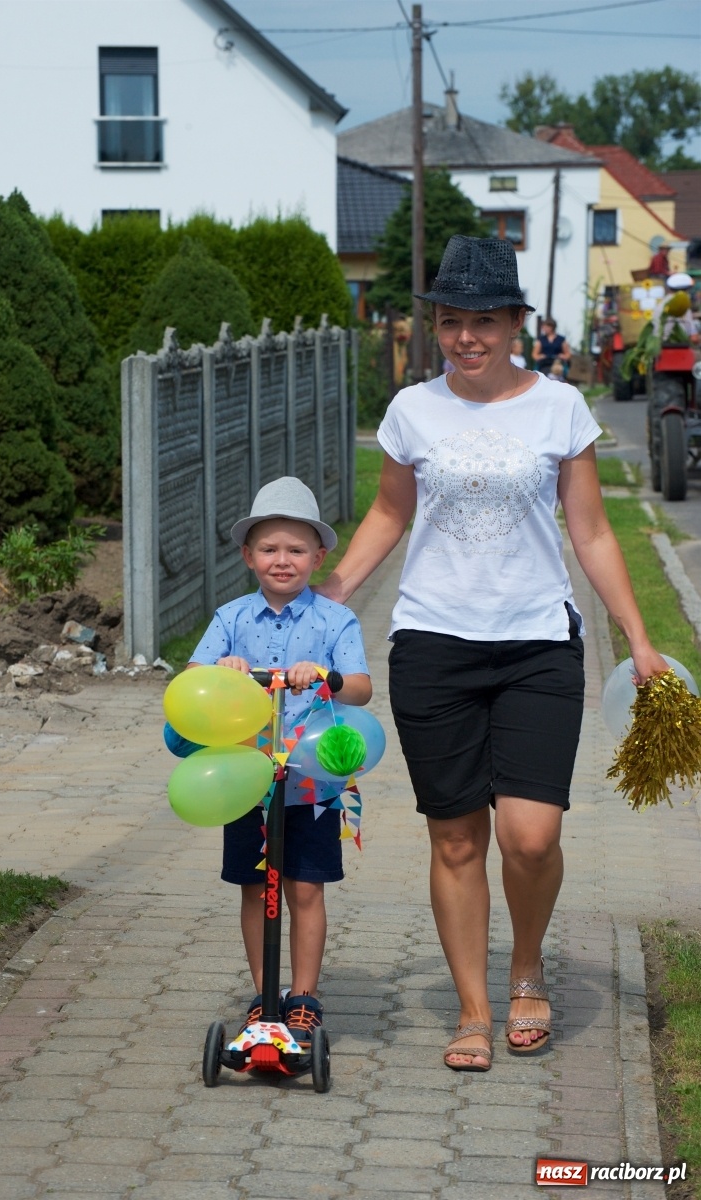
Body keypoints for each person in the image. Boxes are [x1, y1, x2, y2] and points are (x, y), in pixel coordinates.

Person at [315, 235, 667, 1072]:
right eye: (451, 321)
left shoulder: (560, 408)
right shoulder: (412, 411)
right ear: (435, 326)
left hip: (539, 644)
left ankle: (528, 965)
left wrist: (641, 641)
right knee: (457, 839)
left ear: (515, 323)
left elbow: (590, 531)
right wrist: (332, 592)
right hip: (433, 644)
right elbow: (389, 515)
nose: (465, 337)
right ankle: (473, 1009)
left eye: (483, 320)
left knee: (531, 837)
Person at [188, 476, 372, 1046]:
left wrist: (325, 676)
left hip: (311, 781)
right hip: (247, 778)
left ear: (318, 556)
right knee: (253, 886)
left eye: (296, 550)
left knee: (305, 888)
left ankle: (303, 998)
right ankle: (265, 995)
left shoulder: (334, 620)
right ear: (248, 556)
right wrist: (227, 670)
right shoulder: (231, 618)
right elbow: (192, 679)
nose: (282, 560)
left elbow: (362, 688)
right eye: (269, 549)